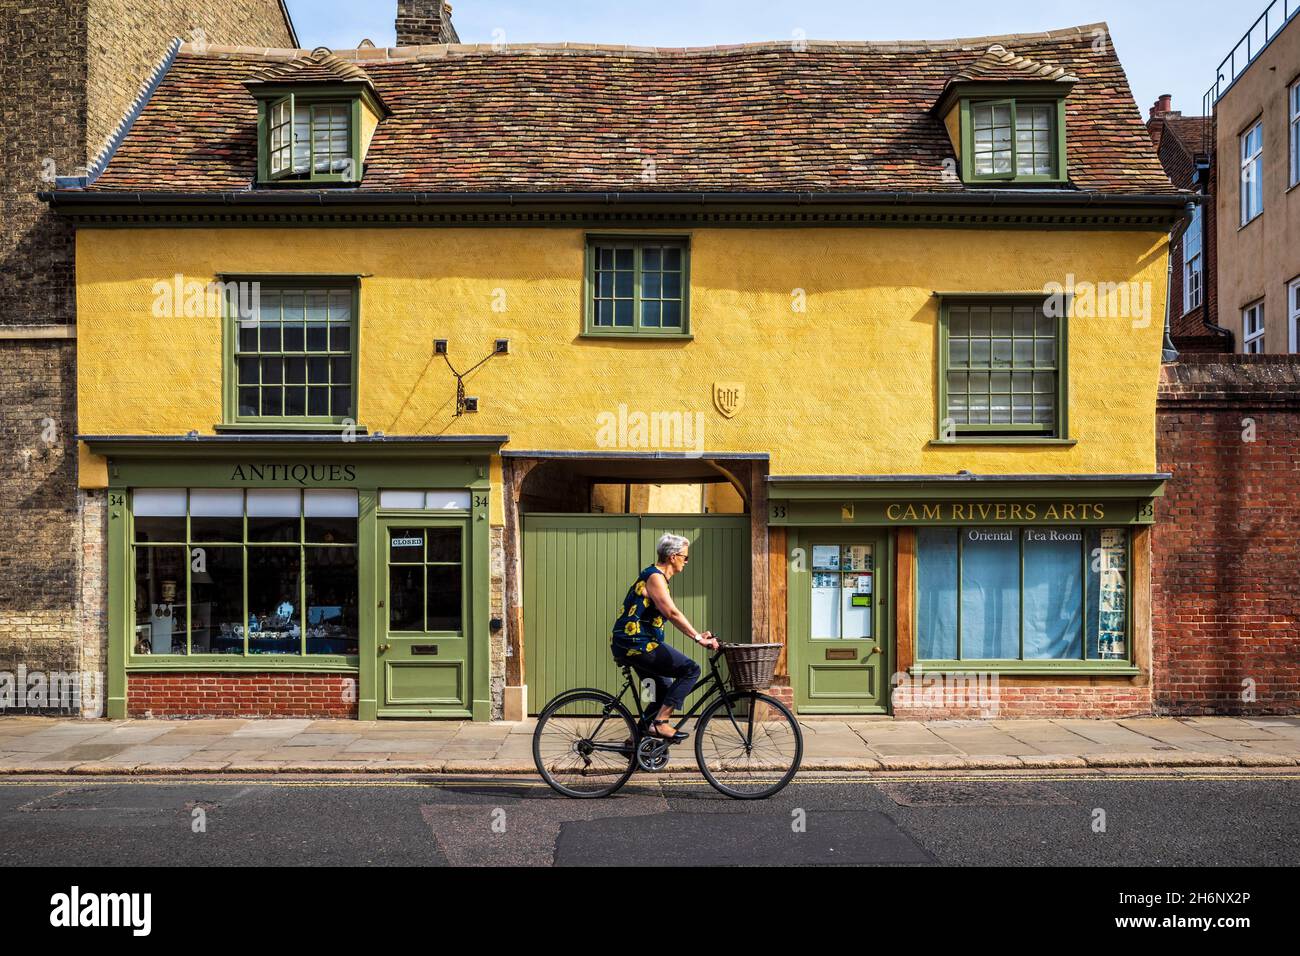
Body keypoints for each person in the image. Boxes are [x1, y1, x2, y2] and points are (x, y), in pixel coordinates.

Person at [610, 533, 720, 742]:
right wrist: (698, 638)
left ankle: (635, 743)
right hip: (636, 643)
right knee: (691, 669)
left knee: (662, 690)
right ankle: (660, 723)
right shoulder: (655, 577)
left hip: (635, 643)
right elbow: (672, 613)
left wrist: (700, 633)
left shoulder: (657, 577)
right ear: (673, 557)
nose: (686, 562)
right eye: (685, 557)